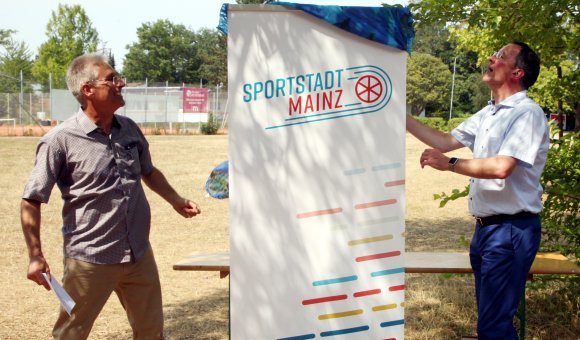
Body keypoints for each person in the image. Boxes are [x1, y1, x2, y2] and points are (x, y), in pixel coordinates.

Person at [21, 53, 201, 339]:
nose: (122, 83)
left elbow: (148, 171)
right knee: (71, 334)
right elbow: (31, 199)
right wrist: (35, 256)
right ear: (88, 90)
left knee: (151, 332)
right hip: (91, 259)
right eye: (112, 79)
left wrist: (175, 200)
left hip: (138, 254)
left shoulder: (128, 129)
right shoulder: (60, 140)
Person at [406, 41, 548, 339]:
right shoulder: (490, 113)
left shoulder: (527, 113)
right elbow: (444, 140)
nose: (490, 58)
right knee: (491, 322)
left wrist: (449, 164)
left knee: (493, 325)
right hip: (486, 230)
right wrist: (397, 115)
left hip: (510, 230)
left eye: (500, 56)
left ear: (517, 72)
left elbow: (501, 167)